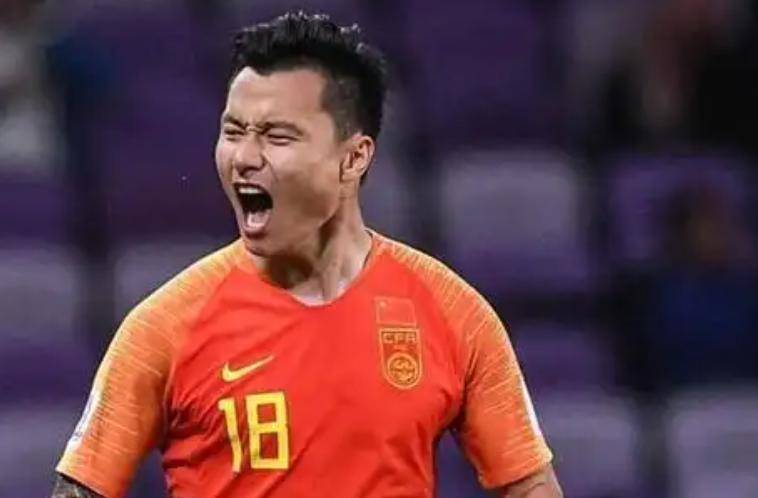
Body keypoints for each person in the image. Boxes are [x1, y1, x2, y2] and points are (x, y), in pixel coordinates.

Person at [51, 11, 561, 498]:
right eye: (233, 132)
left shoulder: (451, 313)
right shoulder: (164, 327)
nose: (244, 158)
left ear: (353, 158)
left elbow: (527, 484)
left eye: (277, 136)